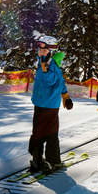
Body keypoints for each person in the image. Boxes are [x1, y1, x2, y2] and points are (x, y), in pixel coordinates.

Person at [27, 35, 74, 174]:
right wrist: (44, 66)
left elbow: (55, 81)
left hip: (49, 104)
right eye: (40, 50)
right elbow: (55, 80)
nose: (41, 53)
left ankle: (50, 161)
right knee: (41, 132)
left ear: (52, 52)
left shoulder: (50, 64)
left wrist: (65, 96)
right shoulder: (45, 63)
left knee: (47, 132)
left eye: (45, 50)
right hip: (43, 103)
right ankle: (39, 160)